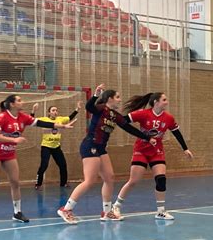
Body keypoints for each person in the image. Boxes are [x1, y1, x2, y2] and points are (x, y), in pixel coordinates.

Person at [57, 85, 156, 224]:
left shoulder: (115, 116)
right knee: (90, 180)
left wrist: (147, 137)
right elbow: (89, 107)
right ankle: (66, 209)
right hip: (90, 145)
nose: (120, 100)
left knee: (109, 178)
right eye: (118, 97)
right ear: (110, 99)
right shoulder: (101, 108)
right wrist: (96, 95)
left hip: (101, 148)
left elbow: (128, 128)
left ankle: (107, 212)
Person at [0, 94, 76, 226]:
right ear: (12, 104)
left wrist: (62, 126)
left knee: (15, 183)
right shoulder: (2, 117)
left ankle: (17, 212)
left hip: (9, 153)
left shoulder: (23, 117)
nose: (21, 102)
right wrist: (14, 140)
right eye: (19, 100)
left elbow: (41, 123)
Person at [112, 92, 193, 220]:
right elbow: (123, 121)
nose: (167, 102)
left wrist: (185, 149)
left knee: (161, 179)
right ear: (156, 102)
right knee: (133, 181)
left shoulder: (168, 118)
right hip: (141, 150)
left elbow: (177, 133)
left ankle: (160, 211)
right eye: (164, 100)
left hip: (157, 151)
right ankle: (116, 207)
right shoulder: (143, 114)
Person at [31, 101, 82, 190]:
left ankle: (64, 183)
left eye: (56, 110)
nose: (55, 112)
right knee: (44, 165)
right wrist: (33, 111)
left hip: (56, 147)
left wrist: (77, 109)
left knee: (63, 164)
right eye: (53, 110)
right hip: (46, 146)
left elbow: (70, 117)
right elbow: (31, 120)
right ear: (49, 112)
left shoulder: (60, 119)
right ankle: (38, 184)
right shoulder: (45, 120)